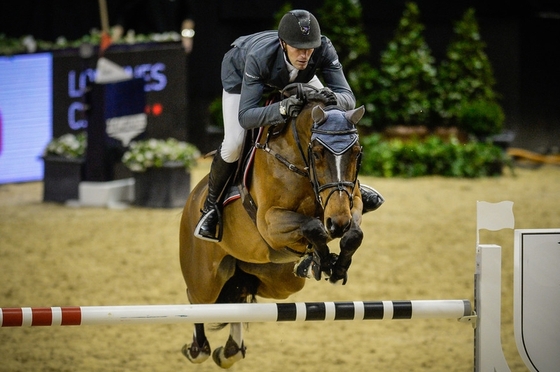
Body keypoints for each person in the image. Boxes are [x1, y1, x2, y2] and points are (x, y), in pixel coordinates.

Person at [195, 9, 383, 242]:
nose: (305, 55)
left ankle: (349, 188)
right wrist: (282, 109)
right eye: (298, 48)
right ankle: (211, 208)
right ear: (283, 43)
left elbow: (348, 98)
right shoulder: (259, 56)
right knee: (234, 143)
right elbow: (247, 116)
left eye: (309, 48)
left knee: (328, 116)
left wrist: (328, 97)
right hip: (243, 77)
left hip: (294, 77)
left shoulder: (323, 48)